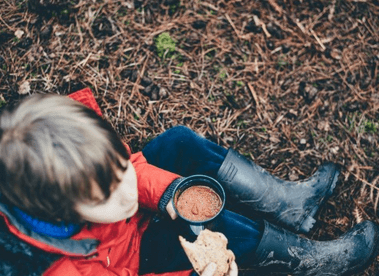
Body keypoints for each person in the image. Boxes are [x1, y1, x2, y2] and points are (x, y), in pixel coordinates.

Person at [0, 88, 378, 276]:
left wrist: (166, 193)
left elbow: (131, 165)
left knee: (178, 142)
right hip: (132, 261)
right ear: (58, 209)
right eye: (110, 193)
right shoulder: (63, 269)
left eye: (120, 171)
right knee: (219, 230)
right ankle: (310, 261)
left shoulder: (74, 149)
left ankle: (290, 203)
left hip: (128, 227)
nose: (128, 190)